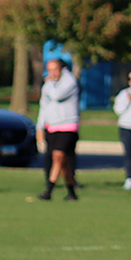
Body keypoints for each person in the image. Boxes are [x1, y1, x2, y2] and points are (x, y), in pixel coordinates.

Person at [36, 58, 80, 201]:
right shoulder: (48, 85)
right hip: (52, 127)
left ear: (62, 69)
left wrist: (49, 82)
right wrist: (40, 127)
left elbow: (57, 95)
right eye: (50, 70)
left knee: (58, 156)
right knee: (63, 162)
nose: (53, 73)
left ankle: (48, 190)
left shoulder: (70, 81)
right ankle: (72, 193)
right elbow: (44, 106)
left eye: (55, 69)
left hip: (68, 126)